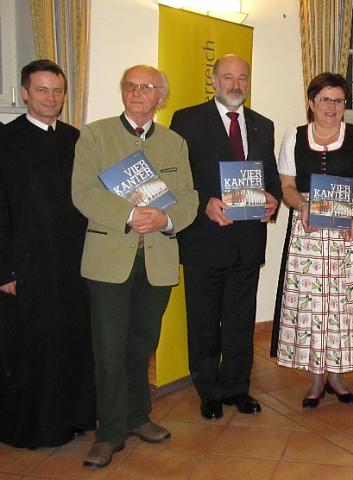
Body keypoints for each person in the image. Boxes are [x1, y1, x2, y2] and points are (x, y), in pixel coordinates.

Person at [72, 65, 198, 468]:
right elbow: (83, 192)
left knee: (141, 346)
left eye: (147, 87)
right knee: (108, 349)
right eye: (131, 85)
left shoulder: (175, 143)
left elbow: (188, 198)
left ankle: (137, 417)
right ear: (122, 92)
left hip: (157, 261)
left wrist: (165, 219)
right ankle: (108, 432)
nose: (138, 92)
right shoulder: (95, 134)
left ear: (161, 96)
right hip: (109, 260)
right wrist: (128, 216)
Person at [170, 54, 280, 420]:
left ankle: (237, 388)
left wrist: (272, 199)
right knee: (203, 321)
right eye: (228, 77)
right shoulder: (186, 120)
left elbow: (272, 179)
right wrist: (203, 203)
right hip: (204, 239)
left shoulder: (263, 125)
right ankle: (209, 391)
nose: (236, 85)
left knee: (240, 319)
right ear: (213, 81)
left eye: (242, 78)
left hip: (247, 241)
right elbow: (177, 178)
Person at [0, 59, 95, 449]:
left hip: (72, 263)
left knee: (71, 342)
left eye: (57, 91)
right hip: (25, 265)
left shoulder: (76, 139)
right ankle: (29, 428)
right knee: (29, 349)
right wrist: (4, 269)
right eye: (42, 90)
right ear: (24, 93)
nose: (50, 98)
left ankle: (72, 418)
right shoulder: (5, 141)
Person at [273, 72, 353, 407]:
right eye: (325, 100)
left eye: (338, 100)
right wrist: (302, 206)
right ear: (311, 103)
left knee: (342, 303)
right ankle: (316, 377)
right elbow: (287, 187)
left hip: (348, 228)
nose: (332, 107)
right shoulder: (293, 136)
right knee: (312, 304)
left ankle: (337, 374)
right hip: (309, 231)